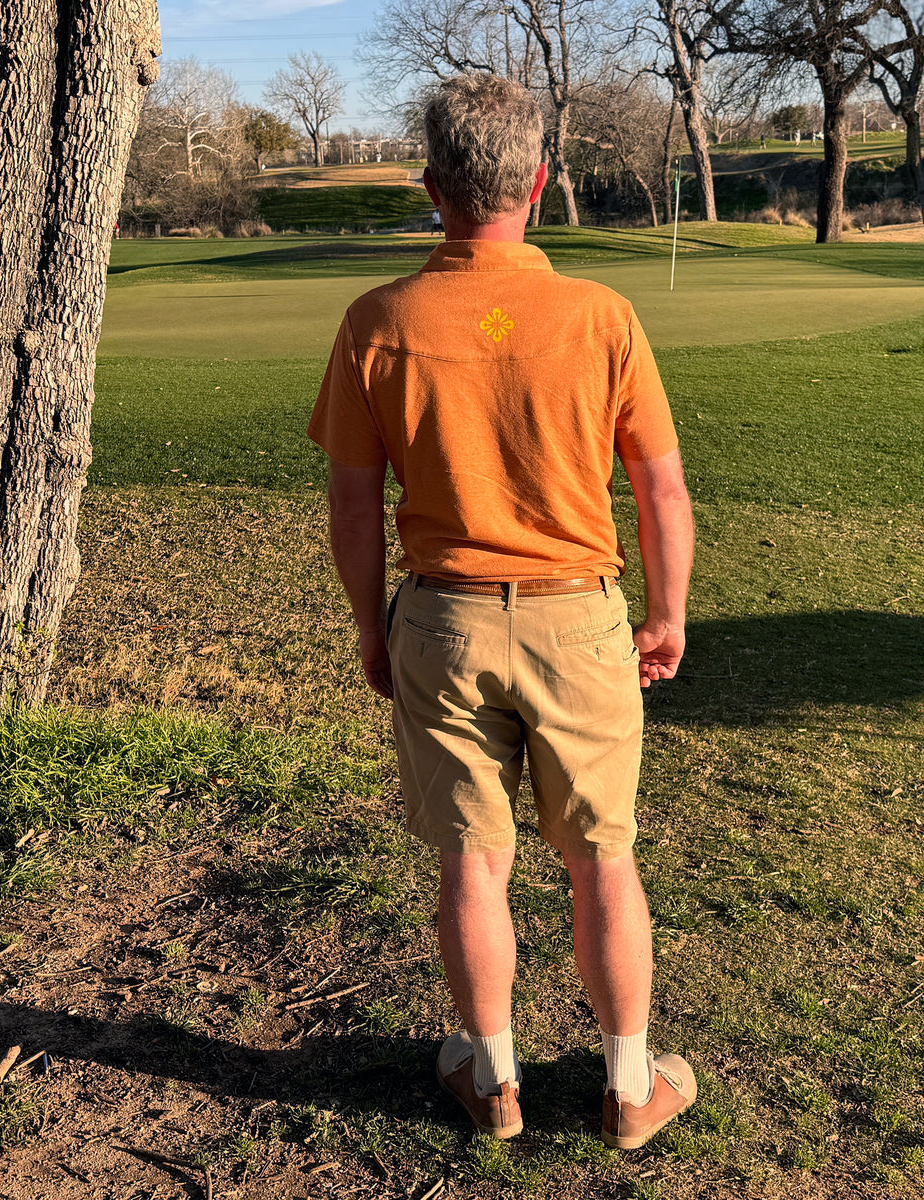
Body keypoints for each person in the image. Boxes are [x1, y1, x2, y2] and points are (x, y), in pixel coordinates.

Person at [308, 73, 697, 1148]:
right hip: (582, 618)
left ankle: (493, 1081)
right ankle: (629, 1087)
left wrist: (368, 627)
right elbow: (661, 488)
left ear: (433, 186)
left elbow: (353, 505)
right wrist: (667, 614)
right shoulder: (602, 316)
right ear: (537, 181)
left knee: (473, 860)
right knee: (602, 855)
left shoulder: (378, 322)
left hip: (443, 619)